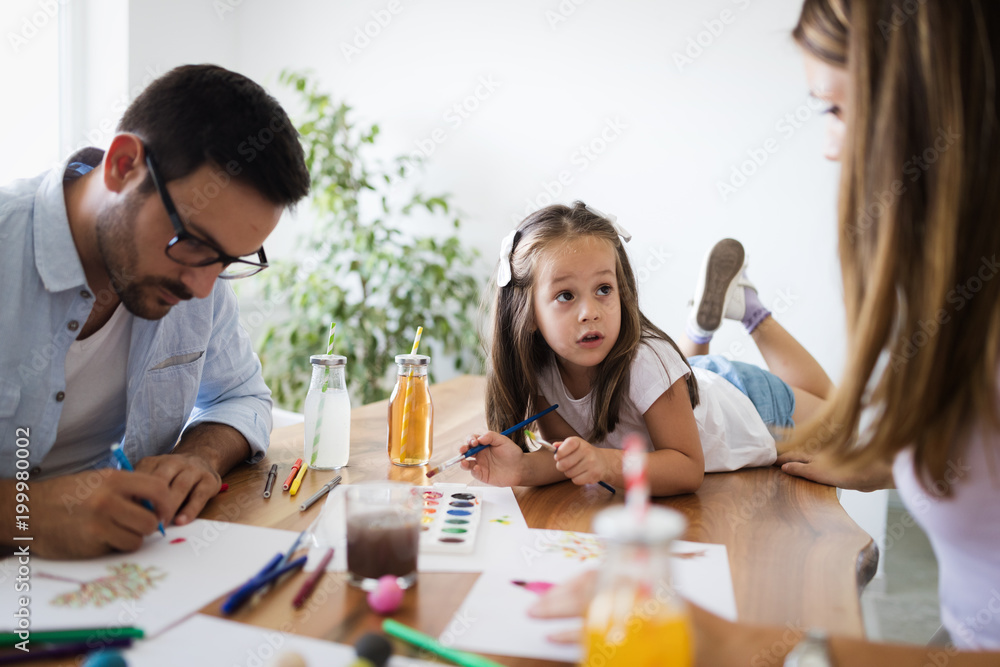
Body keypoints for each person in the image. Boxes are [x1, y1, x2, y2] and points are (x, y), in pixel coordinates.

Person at [533, 0, 1000, 662]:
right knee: (824, 412)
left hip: (733, 398)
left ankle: (740, 314)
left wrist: (735, 641)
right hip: (719, 392)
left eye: (834, 108)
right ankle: (733, 318)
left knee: (829, 407)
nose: (832, 146)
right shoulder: (964, 304)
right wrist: (886, 463)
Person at [0, 64, 311, 559]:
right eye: (191, 242)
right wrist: (29, 513)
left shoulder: (198, 272)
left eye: (228, 261)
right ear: (124, 166)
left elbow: (241, 396)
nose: (202, 286)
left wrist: (200, 455)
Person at [458, 202, 833, 497]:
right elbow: (567, 458)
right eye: (566, 296)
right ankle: (700, 329)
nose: (590, 312)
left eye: (604, 289)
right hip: (688, 388)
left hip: (751, 405)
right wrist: (520, 468)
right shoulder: (541, 370)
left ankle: (751, 311)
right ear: (530, 313)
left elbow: (687, 469)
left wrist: (605, 464)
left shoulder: (646, 361)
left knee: (837, 412)